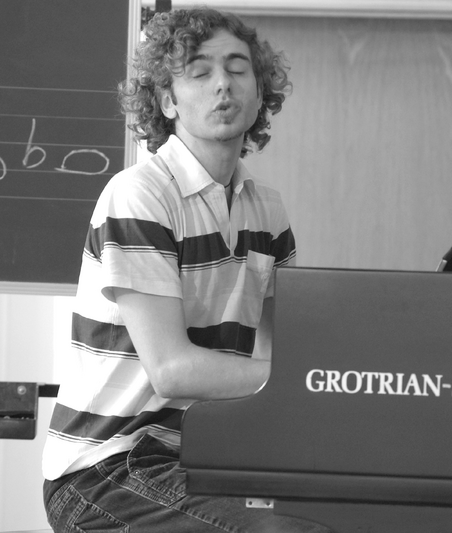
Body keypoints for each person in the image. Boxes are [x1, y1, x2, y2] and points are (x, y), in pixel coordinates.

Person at [41, 8, 326, 532]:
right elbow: (172, 370)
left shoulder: (267, 210)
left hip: (202, 459)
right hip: (105, 469)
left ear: (260, 93)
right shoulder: (139, 195)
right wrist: (313, 382)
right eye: (199, 72)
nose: (223, 84)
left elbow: (279, 351)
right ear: (168, 101)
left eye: (238, 69)